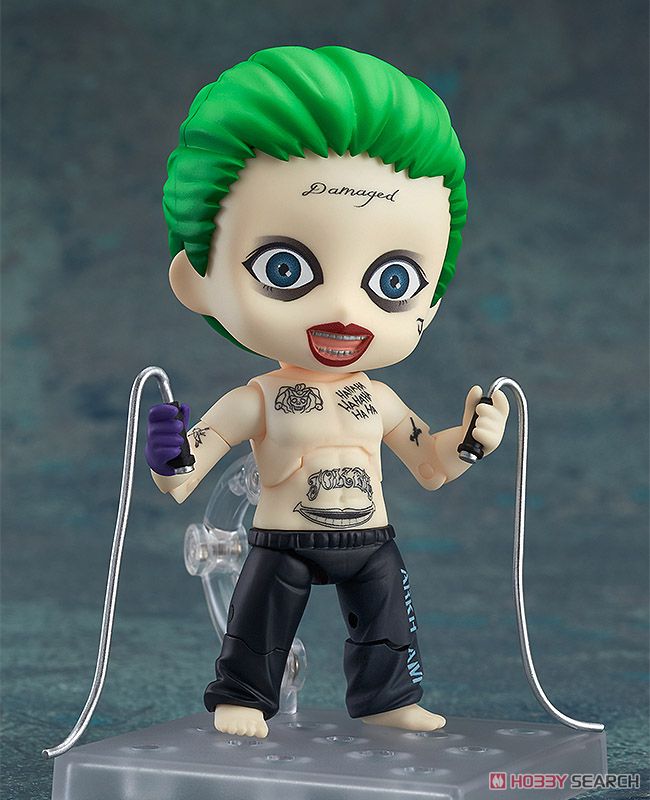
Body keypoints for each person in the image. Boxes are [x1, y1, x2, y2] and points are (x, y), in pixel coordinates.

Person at [146, 45, 509, 739]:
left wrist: (469, 442)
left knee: (388, 623)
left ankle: (389, 696)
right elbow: (183, 476)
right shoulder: (257, 398)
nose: (344, 310)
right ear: (197, 279)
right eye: (285, 269)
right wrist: (169, 454)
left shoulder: (380, 401)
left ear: (431, 300)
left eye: (394, 281)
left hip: (371, 538)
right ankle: (243, 695)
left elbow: (428, 465)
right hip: (283, 539)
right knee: (258, 625)